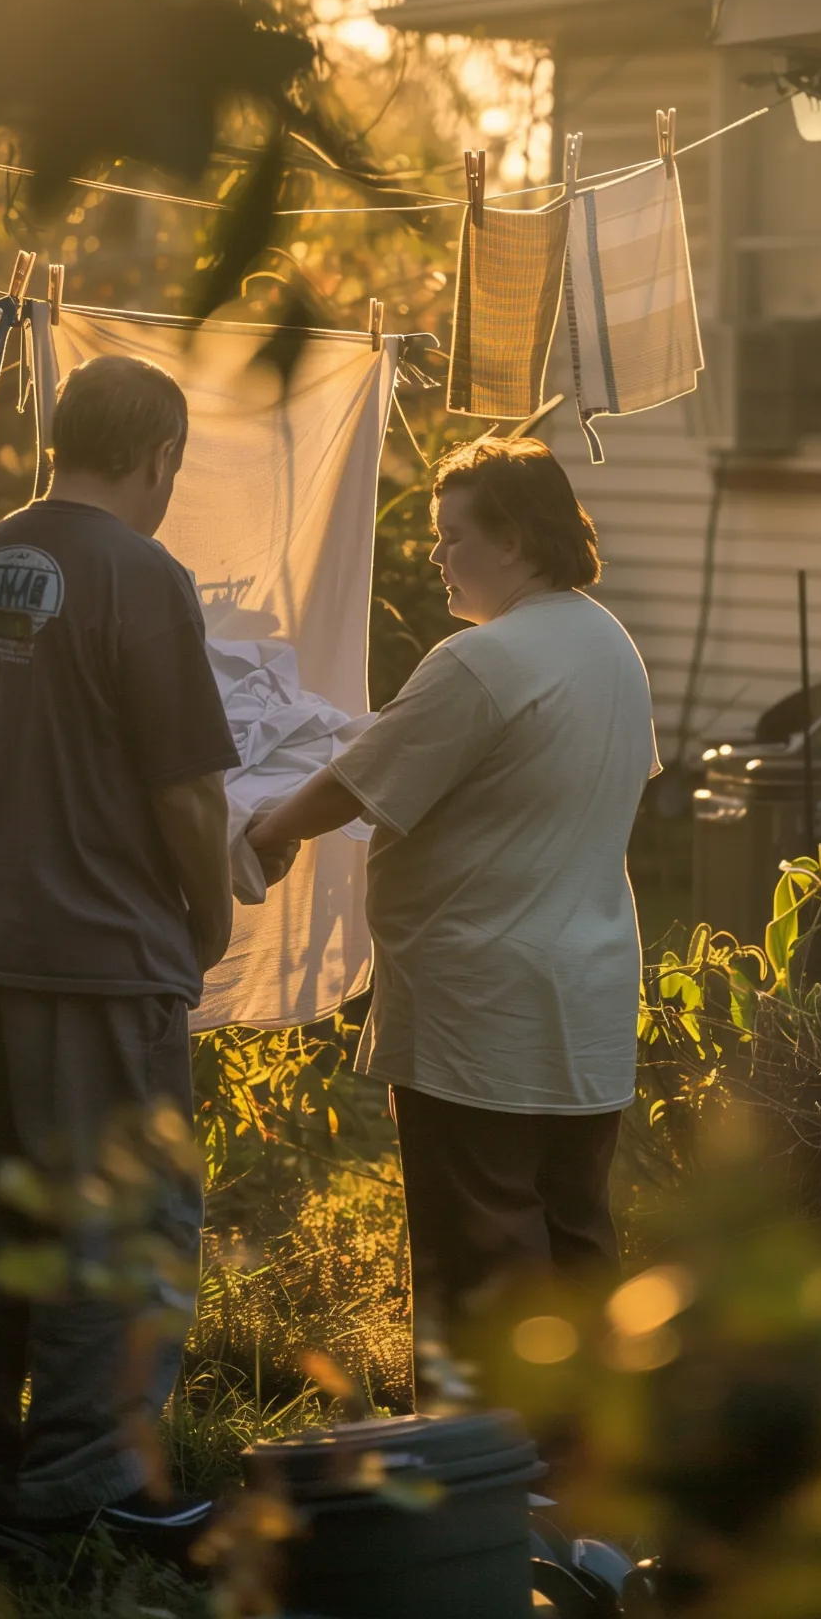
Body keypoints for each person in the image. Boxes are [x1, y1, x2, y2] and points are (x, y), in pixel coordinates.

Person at [0, 354, 239, 1555]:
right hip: (98, 948)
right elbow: (192, 793)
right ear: (161, 457)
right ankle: (90, 1491)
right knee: (121, 1223)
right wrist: (205, 919)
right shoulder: (142, 573)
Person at [248, 438, 659, 1381]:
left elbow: (354, 783)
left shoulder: (481, 659)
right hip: (586, 1002)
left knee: (481, 1256)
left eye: (452, 537)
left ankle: (485, 1479)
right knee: (572, 1240)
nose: (437, 558)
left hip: (480, 1007)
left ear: (512, 538)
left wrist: (260, 832)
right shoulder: (606, 643)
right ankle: (584, 1475)